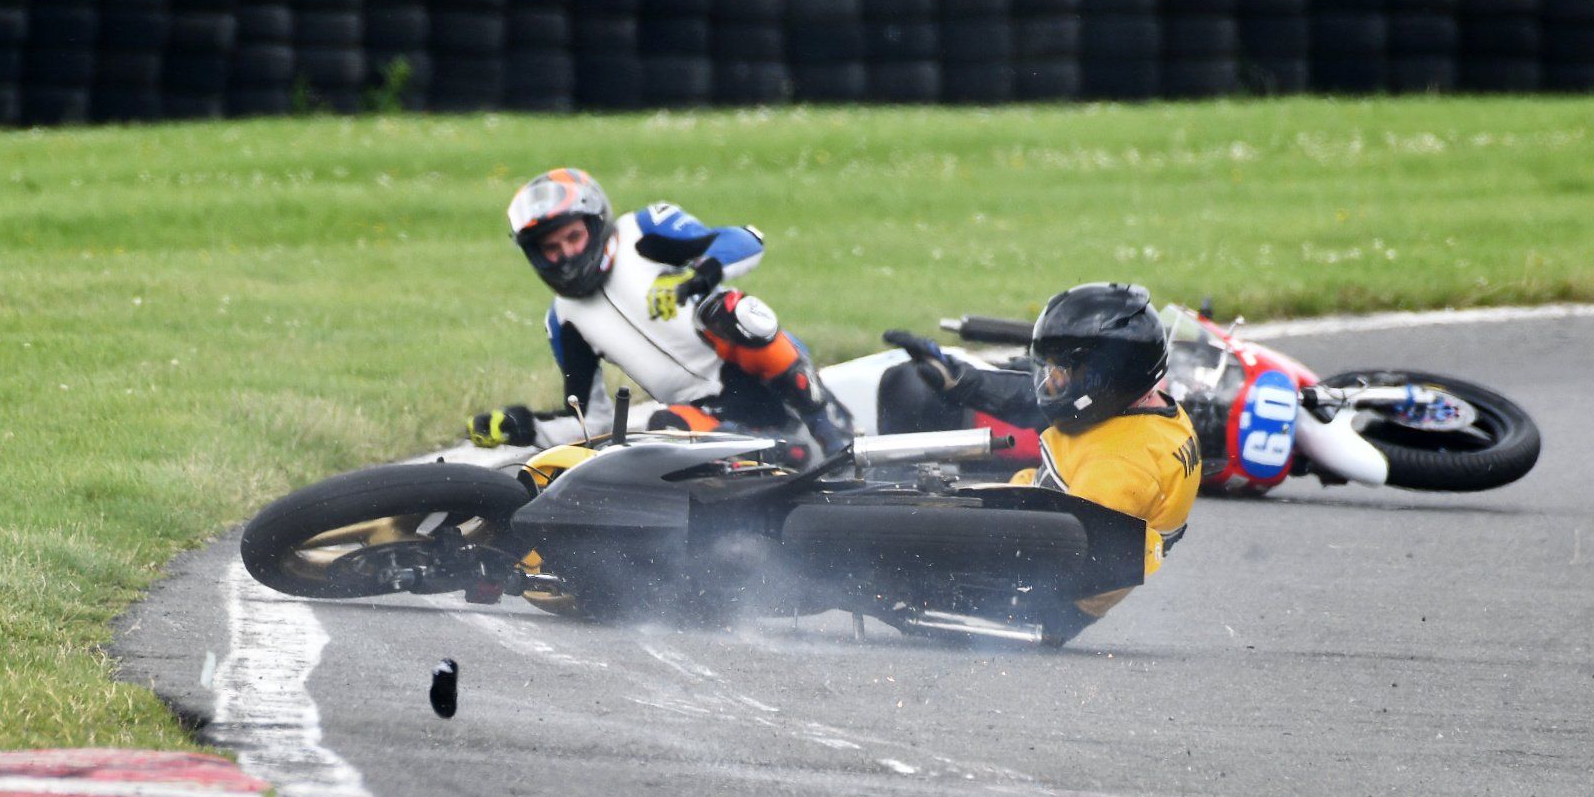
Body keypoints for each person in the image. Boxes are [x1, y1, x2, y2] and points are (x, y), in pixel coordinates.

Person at [880, 282, 1201, 634]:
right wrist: (960, 380)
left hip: (1034, 600)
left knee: (878, 556)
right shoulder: (1136, 411)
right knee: (912, 391)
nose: (1051, 381)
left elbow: (1057, 554)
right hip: (1041, 531)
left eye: (1063, 372)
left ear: (1108, 379)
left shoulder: (1122, 468)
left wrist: (918, 531)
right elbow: (1045, 403)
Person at [468, 168, 853, 460]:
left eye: (573, 237)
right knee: (660, 432)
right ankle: (779, 456)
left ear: (596, 224)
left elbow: (746, 240)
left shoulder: (643, 230)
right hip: (708, 414)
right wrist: (525, 426)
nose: (567, 254)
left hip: (761, 368)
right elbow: (591, 421)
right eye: (552, 248)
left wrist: (697, 277)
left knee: (729, 310)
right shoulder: (563, 319)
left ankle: (826, 422)